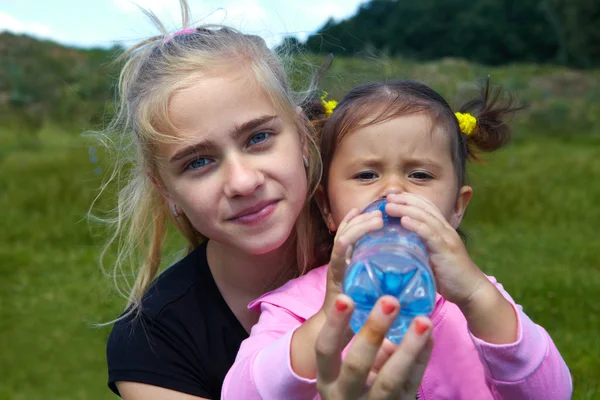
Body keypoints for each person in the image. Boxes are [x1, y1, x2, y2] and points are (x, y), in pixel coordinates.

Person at [101, 1, 434, 399]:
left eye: (258, 138)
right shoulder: (152, 343)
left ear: (301, 137)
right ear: (166, 190)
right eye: (199, 162)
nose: (242, 181)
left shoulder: (385, 249)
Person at [222, 79, 573, 399]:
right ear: (327, 208)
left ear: (456, 209)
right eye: (366, 174)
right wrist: (328, 318)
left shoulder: (477, 300)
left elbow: (553, 392)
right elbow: (239, 393)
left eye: (420, 175)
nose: (392, 190)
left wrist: (478, 296)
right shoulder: (296, 307)